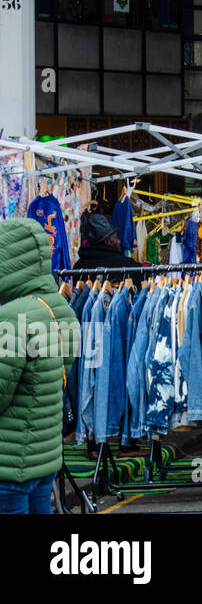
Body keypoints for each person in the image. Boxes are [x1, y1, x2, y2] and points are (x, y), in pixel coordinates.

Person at [0, 219, 80, 514]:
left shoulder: (13, 316)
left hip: (9, 460)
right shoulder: (62, 309)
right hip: (45, 453)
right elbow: (58, 379)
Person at [74, 213, 145, 270]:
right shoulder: (125, 266)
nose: (119, 241)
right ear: (107, 242)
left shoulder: (78, 267)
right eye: (115, 238)